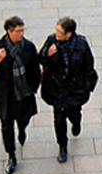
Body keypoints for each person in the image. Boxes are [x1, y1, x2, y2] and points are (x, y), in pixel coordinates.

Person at [0, 17, 41, 174]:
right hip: (5, 95)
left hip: (23, 94)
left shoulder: (28, 47)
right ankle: (11, 156)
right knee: (7, 126)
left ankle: (22, 129)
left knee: (24, 119)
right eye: (18, 31)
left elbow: (35, 70)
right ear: (9, 31)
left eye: (23, 30)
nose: (21, 34)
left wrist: (32, 89)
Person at [39, 17, 97, 163]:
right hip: (56, 89)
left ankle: (76, 123)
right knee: (58, 120)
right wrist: (48, 54)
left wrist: (87, 87)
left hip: (75, 89)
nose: (56, 33)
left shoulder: (81, 45)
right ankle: (62, 147)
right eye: (56, 29)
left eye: (60, 31)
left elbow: (89, 66)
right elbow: (40, 58)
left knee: (74, 113)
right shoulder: (51, 41)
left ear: (69, 34)